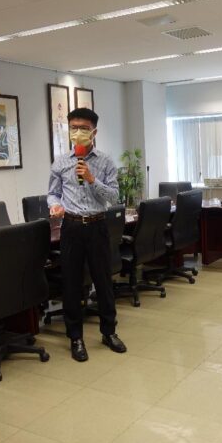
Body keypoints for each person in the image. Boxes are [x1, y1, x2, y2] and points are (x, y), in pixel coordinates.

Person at [47, 108, 126, 362]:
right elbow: (53, 193)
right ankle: (75, 337)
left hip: (97, 226)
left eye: (83, 128)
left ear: (94, 132)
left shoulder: (105, 162)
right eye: (74, 127)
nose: (78, 132)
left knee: (103, 281)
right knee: (71, 283)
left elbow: (113, 196)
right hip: (71, 227)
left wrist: (92, 179)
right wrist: (55, 205)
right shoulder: (60, 162)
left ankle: (109, 332)